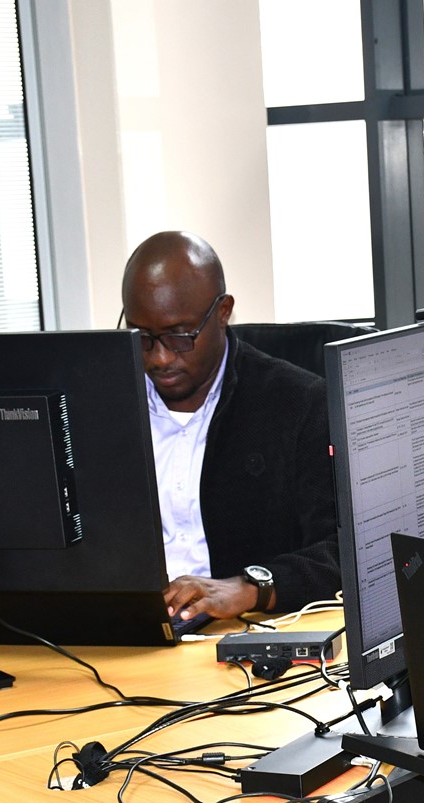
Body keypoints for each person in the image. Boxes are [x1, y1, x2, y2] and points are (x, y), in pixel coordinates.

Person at [120, 230, 339, 620]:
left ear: (222, 312)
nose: (159, 358)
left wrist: (251, 588)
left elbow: (343, 550)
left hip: (243, 633)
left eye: (178, 336)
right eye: (142, 337)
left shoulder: (299, 404)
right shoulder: (105, 405)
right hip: (124, 634)